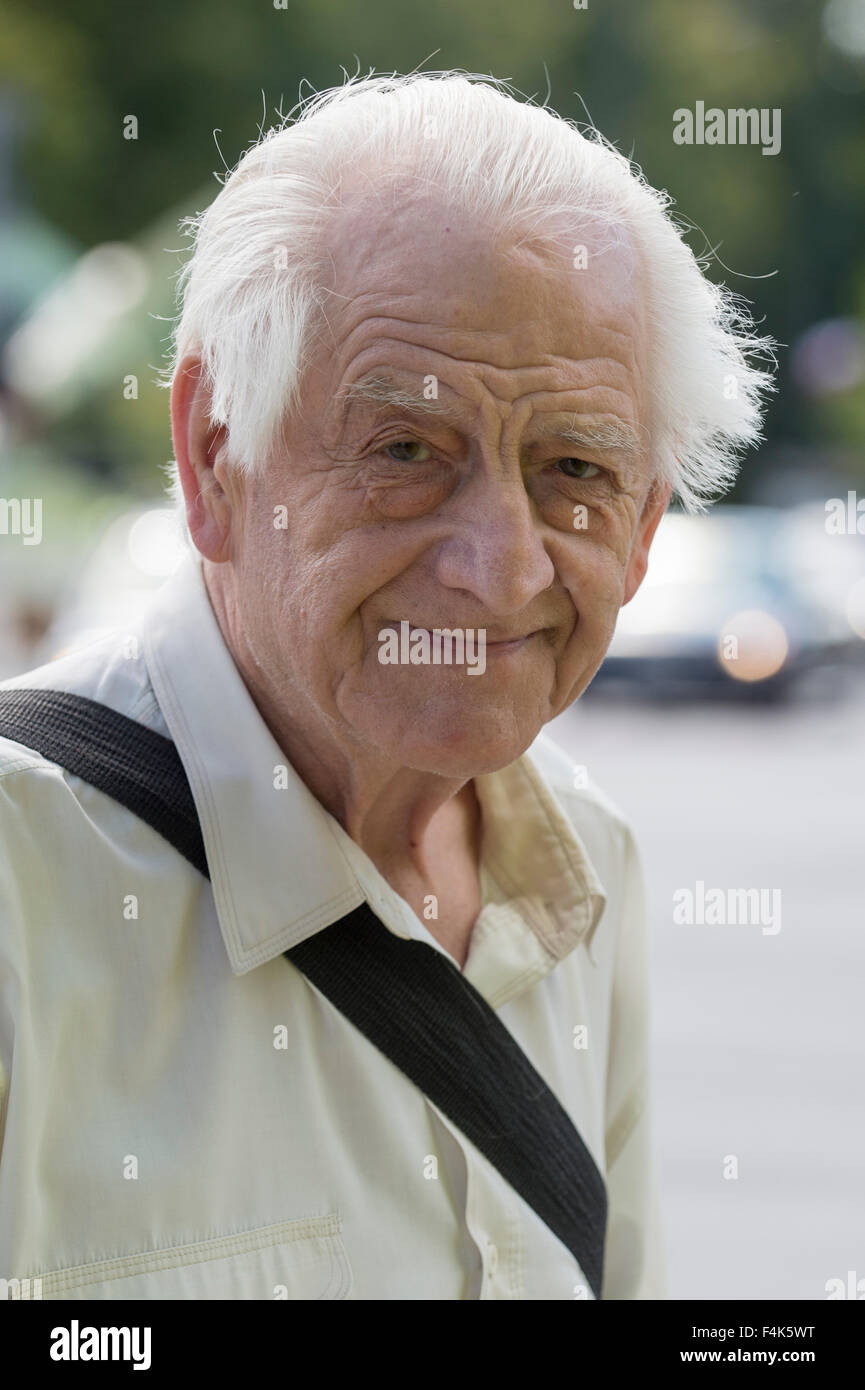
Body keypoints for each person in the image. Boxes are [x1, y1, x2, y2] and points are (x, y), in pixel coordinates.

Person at [0, 70, 773, 1300]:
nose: (501, 569)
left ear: (639, 532)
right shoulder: (22, 889)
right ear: (216, 456)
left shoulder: (583, 864)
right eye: (406, 449)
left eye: (573, 467)